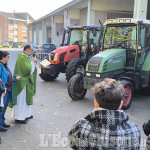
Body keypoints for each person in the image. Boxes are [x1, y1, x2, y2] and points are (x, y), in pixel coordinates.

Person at [68, 78, 141, 149]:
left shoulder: (81, 127)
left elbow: (72, 143)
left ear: (96, 103)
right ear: (121, 104)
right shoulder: (134, 130)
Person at [8, 44, 37, 124]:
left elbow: (31, 69)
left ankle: (26, 114)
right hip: (21, 83)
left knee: (26, 99)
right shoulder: (21, 58)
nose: (32, 51)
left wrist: (34, 64)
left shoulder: (26, 58)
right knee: (21, 100)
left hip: (26, 83)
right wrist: (32, 62)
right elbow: (27, 70)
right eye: (31, 50)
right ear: (27, 50)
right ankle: (19, 118)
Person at [0, 51, 11, 131]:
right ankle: (0, 125)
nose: (9, 58)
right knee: (1, 108)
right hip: (2, 91)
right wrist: (2, 89)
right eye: (8, 57)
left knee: (4, 107)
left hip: (7, 90)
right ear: (3, 58)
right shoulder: (0, 66)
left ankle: (2, 122)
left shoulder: (5, 65)